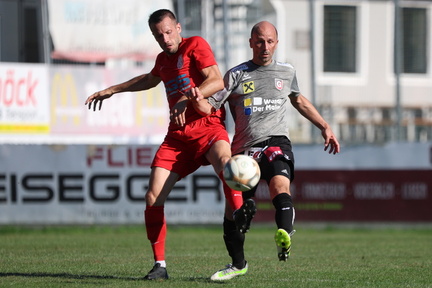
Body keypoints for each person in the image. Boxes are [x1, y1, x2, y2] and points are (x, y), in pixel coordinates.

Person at [84, 9, 245, 281]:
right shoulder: (162, 60)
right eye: (159, 35)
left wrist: (184, 99)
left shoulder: (196, 44)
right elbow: (149, 80)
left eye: (169, 32)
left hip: (208, 127)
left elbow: (216, 80)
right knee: (152, 197)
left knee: (229, 169)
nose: (165, 38)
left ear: (178, 28)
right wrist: (112, 90)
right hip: (178, 138)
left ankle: (241, 219)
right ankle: (160, 265)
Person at [188, 21, 340, 281]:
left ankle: (284, 234)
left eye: (270, 41)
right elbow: (210, 108)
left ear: (277, 43)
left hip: (276, 142)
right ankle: (238, 264)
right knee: (234, 209)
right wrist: (194, 99)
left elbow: (299, 101)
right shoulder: (236, 75)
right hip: (244, 151)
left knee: (280, 187)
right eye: (259, 41)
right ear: (251, 43)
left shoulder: (286, 72)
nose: (265, 47)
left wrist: (324, 126)